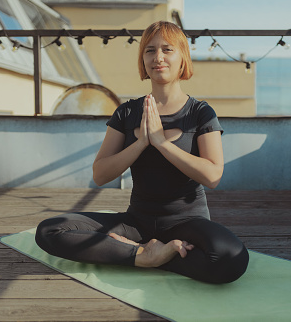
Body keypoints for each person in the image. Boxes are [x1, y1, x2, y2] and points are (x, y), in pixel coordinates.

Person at [35, 21, 249, 284]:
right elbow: (100, 175)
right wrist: (139, 144)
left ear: (182, 58)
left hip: (187, 223)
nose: (158, 57)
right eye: (150, 50)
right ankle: (144, 255)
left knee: (232, 257)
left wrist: (162, 143)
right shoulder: (127, 112)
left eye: (167, 49)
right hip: (136, 223)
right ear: (143, 60)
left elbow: (213, 176)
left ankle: (137, 252)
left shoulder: (200, 113)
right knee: (50, 230)